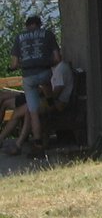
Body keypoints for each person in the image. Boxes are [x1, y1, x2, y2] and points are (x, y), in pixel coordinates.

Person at [8, 14, 60, 154]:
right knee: (46, 81)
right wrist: (49, 63)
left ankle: (37, 142)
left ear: (27, 25)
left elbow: (14, 64)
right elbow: (57, 58)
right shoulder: (47, 34)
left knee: (33, 112)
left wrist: (17, 66)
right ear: (39, 24)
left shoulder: (19, 38)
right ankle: (50, 102)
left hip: (28, 76)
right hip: (44, 72)